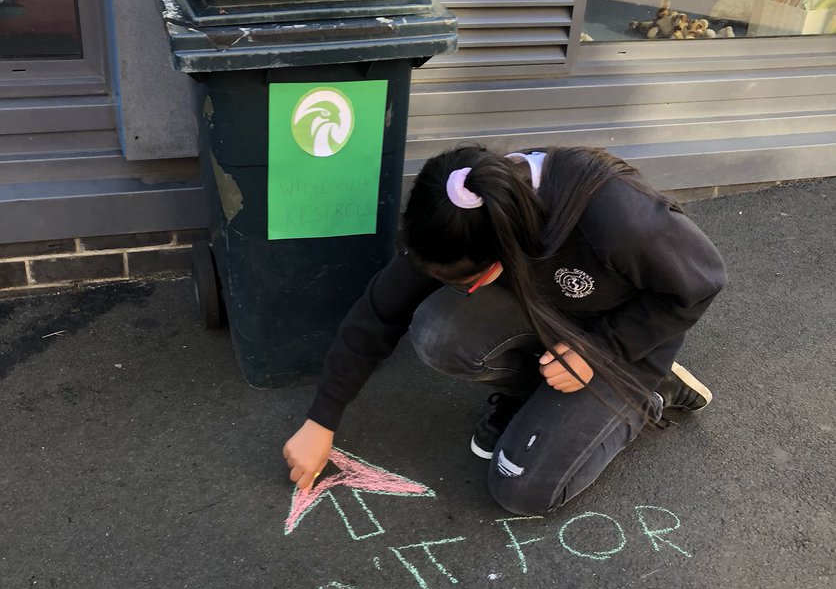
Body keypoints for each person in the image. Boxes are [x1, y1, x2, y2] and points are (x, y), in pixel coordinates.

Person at [283, 145, 727, 514]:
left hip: (625, 338)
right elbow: (378, 313)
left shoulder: (619, 218)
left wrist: (600, 352)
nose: (453, 287)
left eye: (465, 283)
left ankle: (650, 393)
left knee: (521, 490)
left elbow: (700, 284)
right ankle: (537, 393)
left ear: (503, 256)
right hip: (553, 314)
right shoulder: (459, 213)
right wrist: (322, 418)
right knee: (439, 332)